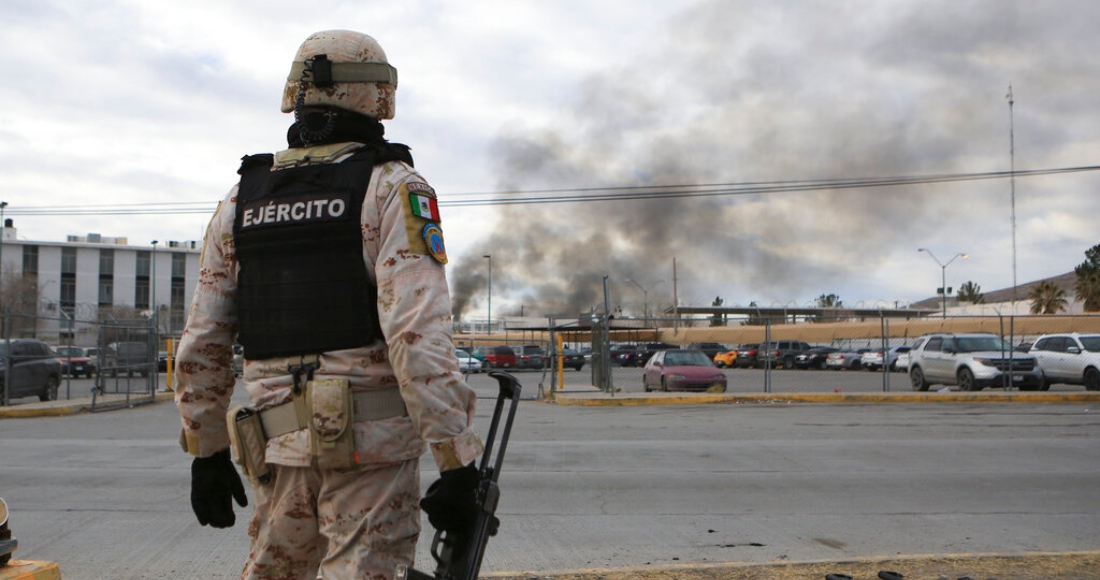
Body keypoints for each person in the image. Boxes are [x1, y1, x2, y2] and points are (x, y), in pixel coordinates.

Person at [174, 30, 483, 580]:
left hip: (275, 447)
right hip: (371, 451)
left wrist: (207, 451)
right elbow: (415, 336)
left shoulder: (240, 199)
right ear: (375, 96)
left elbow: (203, 341)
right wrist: (456, 460)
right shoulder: (392, 187)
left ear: (297, 92)